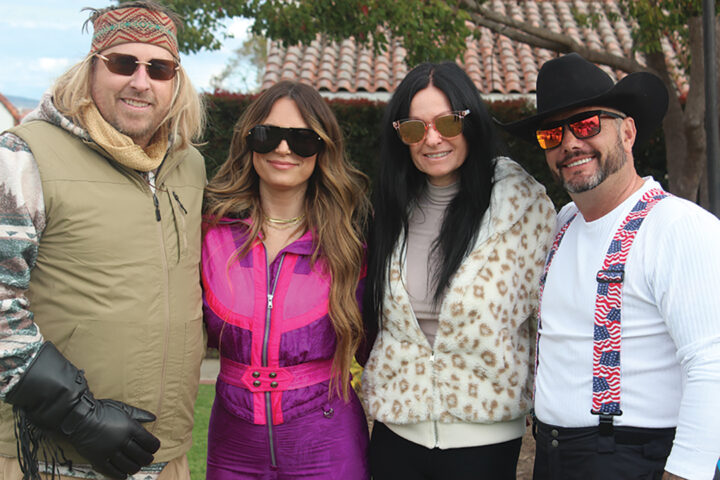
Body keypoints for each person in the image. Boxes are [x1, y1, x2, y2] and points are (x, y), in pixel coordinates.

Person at [0, 2, 207, 479]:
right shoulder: (27, 153)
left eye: (158, 68)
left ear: (175, 81)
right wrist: (79, 416)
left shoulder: (188, 166)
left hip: (163, 454)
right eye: (122, 63)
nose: (140, 80)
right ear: (92, 68)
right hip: (53, 455)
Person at [501, 52, 720, 480]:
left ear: (628, 131)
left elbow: (711, 363)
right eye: (552, 135)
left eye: (585, 125)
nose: (569, 144)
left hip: (636, 460)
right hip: (552, 456)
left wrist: (686, 472)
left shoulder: (679, 227)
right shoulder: (560, 224)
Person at [360, 61, 556, 479]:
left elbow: (551, 321)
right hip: (397, 436)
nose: (432, 139)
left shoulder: (524, 210)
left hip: (484, 443)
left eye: (448, 123)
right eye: (414, 128)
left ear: (472, 122)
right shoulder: (387, 212)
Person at [202, 80, 371, 479]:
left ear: (322, 149)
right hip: (232, 443)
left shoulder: (353, 242)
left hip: (327, 442)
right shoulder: (209, 235)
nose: (283, 149)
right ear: (249, 142)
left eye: (301, 140)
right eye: (268, 135)